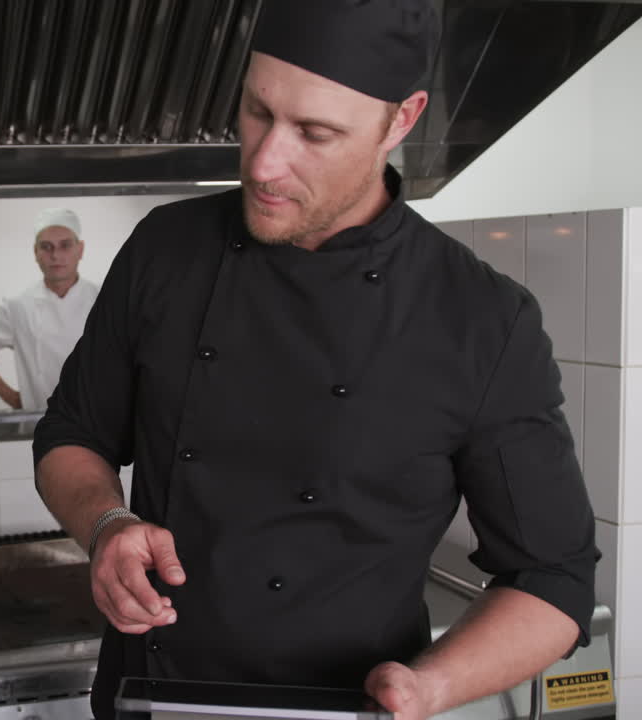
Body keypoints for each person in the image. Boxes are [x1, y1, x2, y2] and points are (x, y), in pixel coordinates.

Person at [32, 3, 598, 720]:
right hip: (148, 700)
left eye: (315, 133)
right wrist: (105, 522)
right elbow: (70, 434)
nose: (265, 162)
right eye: (257, 110)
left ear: (402, 119)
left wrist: (431, 686)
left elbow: (554, 579)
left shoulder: (481, 319)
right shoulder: (166, 249)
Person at [0, 208, 99, 411]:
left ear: (80, 250)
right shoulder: (17, 305)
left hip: (96, 422)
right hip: (40, 424)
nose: (55, 255)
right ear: (35, 252)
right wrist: (12, 398)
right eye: (46, 247)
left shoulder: (104, 299)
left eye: (65, 245)